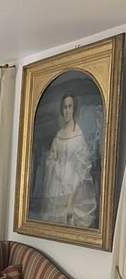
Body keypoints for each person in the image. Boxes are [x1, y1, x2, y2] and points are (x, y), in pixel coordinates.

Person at [42, 92, 97, 227]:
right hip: (57, 186)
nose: (67, 110)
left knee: (71, 221)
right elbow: (51, 158)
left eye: (69, 106)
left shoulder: (78, 136)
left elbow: (84, 169)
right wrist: (56, 167)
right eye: (64, 107)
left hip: (74, 188)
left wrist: (72, 197)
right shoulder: (58, 135)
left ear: (74, 108)